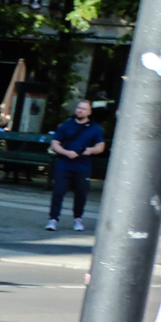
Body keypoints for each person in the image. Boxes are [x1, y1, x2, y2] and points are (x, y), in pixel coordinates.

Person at [47, 99, 107, 232]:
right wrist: (66, 152)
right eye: (79, 108)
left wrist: (90, 150)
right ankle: (53, 219)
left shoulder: (95, 128)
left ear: (89, 112)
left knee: (81, 193)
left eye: (84, 109)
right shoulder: (66, 126)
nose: (80, 110)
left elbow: (100, 146)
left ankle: (78, 219)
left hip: (82, 165)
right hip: (64, 164)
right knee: (58, 192)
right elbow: (55, 143)